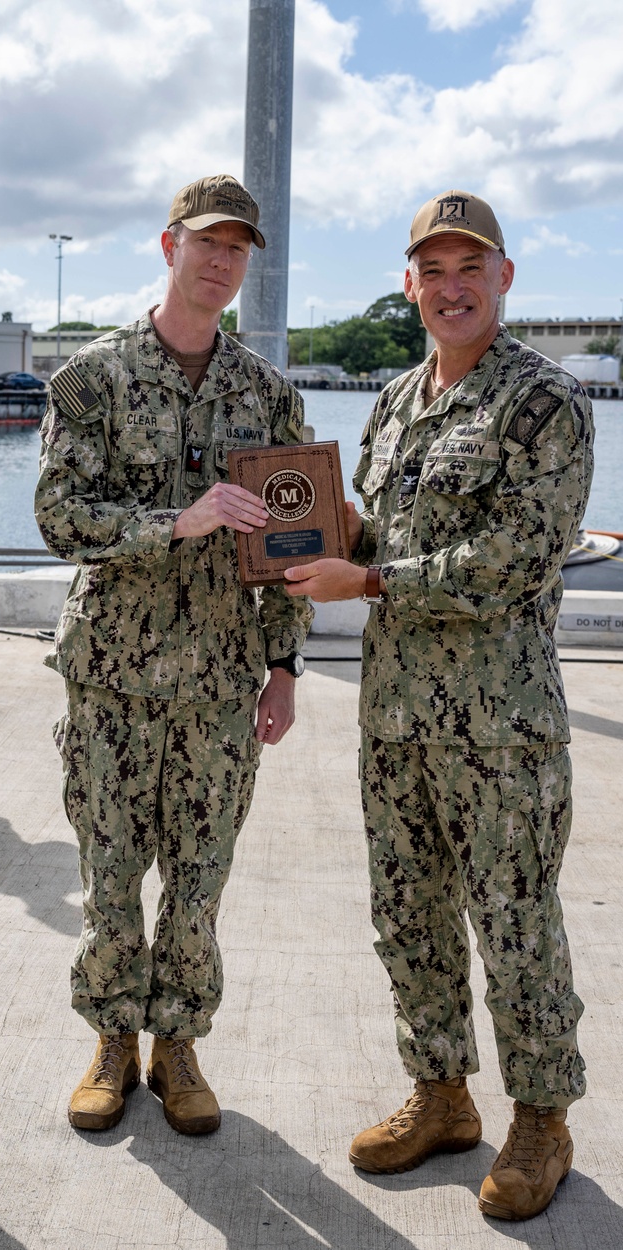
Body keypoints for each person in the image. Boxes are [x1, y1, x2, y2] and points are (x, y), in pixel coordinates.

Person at [283, 190, 594, 1221]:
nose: (450, 287)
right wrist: (313, 534)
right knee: (407, 916)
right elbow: (389, 532)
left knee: (513, 924)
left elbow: (510, 561)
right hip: (397, 718)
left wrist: (364, 583)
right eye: (432, 269)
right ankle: (442, 1093)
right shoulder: (394, 400)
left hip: (498, 726)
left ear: (504, 278)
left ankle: (540, 1115)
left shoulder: (544, 399)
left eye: (471, 267)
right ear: (409, 283)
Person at [35, 174, 313, 1136]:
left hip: (218, 685)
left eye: (239, 248)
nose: (223, 261)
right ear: (169, 246)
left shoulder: (268, 395)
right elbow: (58, 518)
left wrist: (283, 669)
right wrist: (177, 523)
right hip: (111, 676)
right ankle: (111, 1041)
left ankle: (178, 1046)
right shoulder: (92, 379)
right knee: (110, 874)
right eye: (208, 242)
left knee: (200, 881)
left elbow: (291, 549)